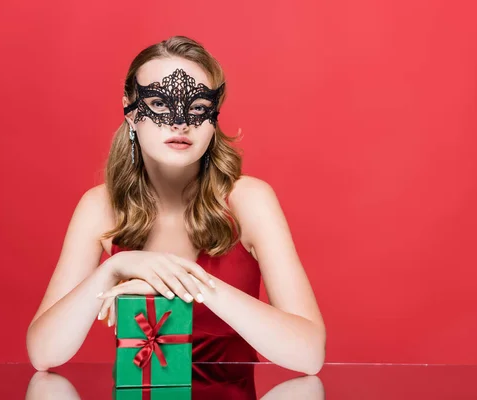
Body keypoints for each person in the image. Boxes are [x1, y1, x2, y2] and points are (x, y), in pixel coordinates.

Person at [26, 35, 326, 376]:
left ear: (214, 117)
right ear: (129, 111)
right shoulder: (101, 207)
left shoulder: (248, 200)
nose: (180, 122)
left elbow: (309, 355)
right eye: (158, 103)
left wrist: (182, 285)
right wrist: (113, 268)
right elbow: (43, 354)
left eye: (198, 107)